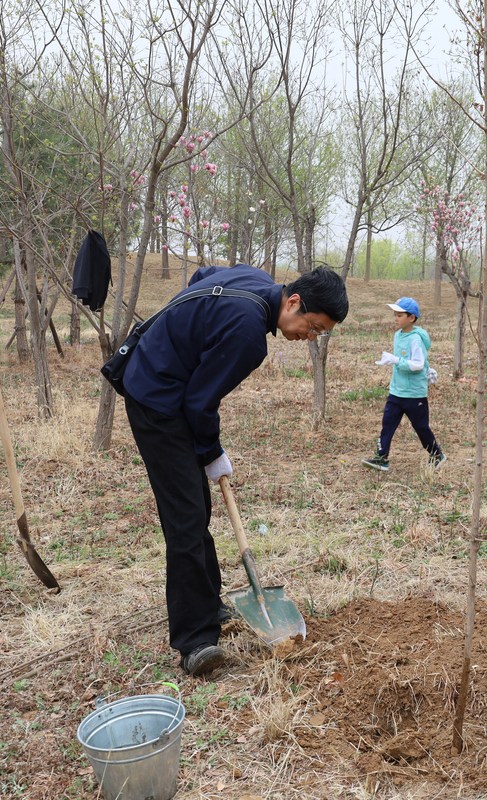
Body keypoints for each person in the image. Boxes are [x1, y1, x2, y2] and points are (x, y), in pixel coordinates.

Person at [122, 264, 347, 677]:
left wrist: (187, 335)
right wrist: (212, 451)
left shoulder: (255, 279)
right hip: (157, 399)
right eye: (313, 326)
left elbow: (202, 276)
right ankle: (194, 640)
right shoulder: (248, 336)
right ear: (294, 302)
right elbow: (199, 403)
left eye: (320, 333)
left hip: (169, 385)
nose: (311, 337)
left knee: (196, 508)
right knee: (185, 518)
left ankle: (208, 604)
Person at [361, 297, 445, 472]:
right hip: (396, 391)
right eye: (395, 315)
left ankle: (436, 454)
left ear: (411, 318)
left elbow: (418, 364)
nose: (395, 318)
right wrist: (392, 360)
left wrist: (396, 360)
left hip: (414, 394)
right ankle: (382, 458)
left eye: (399, 315)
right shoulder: (398, 335)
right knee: (387, 424)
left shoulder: (415, 339)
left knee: (421, 427)